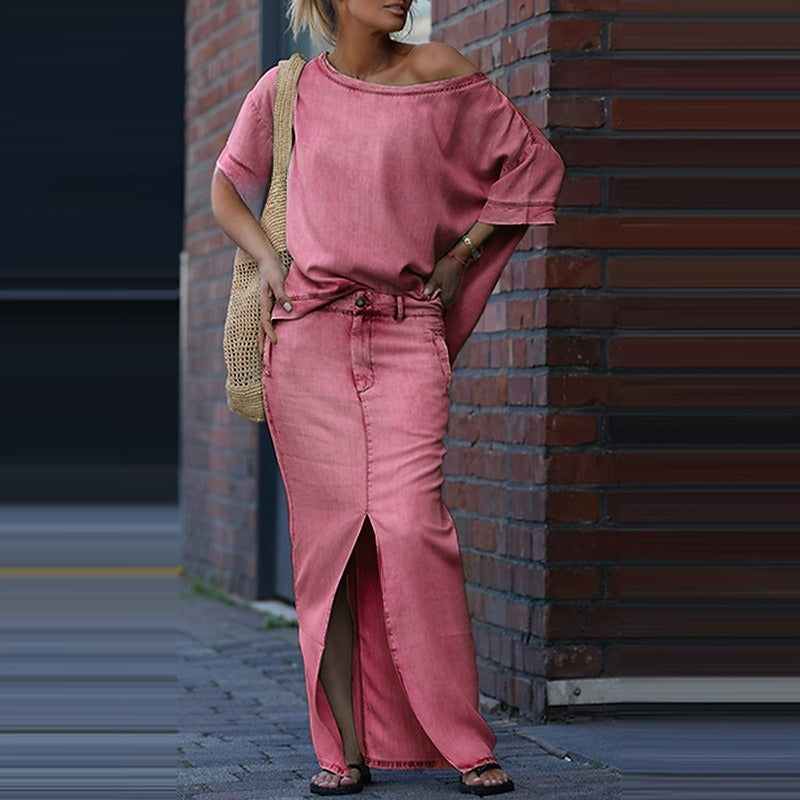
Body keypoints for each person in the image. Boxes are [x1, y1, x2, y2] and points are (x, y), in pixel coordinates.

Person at [210, 1, 565, 795]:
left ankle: (465, 742)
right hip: (306, 346)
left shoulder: (439, 73)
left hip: (406, 335)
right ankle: (344, 755)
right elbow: (227, 188)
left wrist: (462, 255)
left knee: (411, 527)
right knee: (327, 549)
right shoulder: (285, 89)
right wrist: (270, 262)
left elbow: (534, 164)